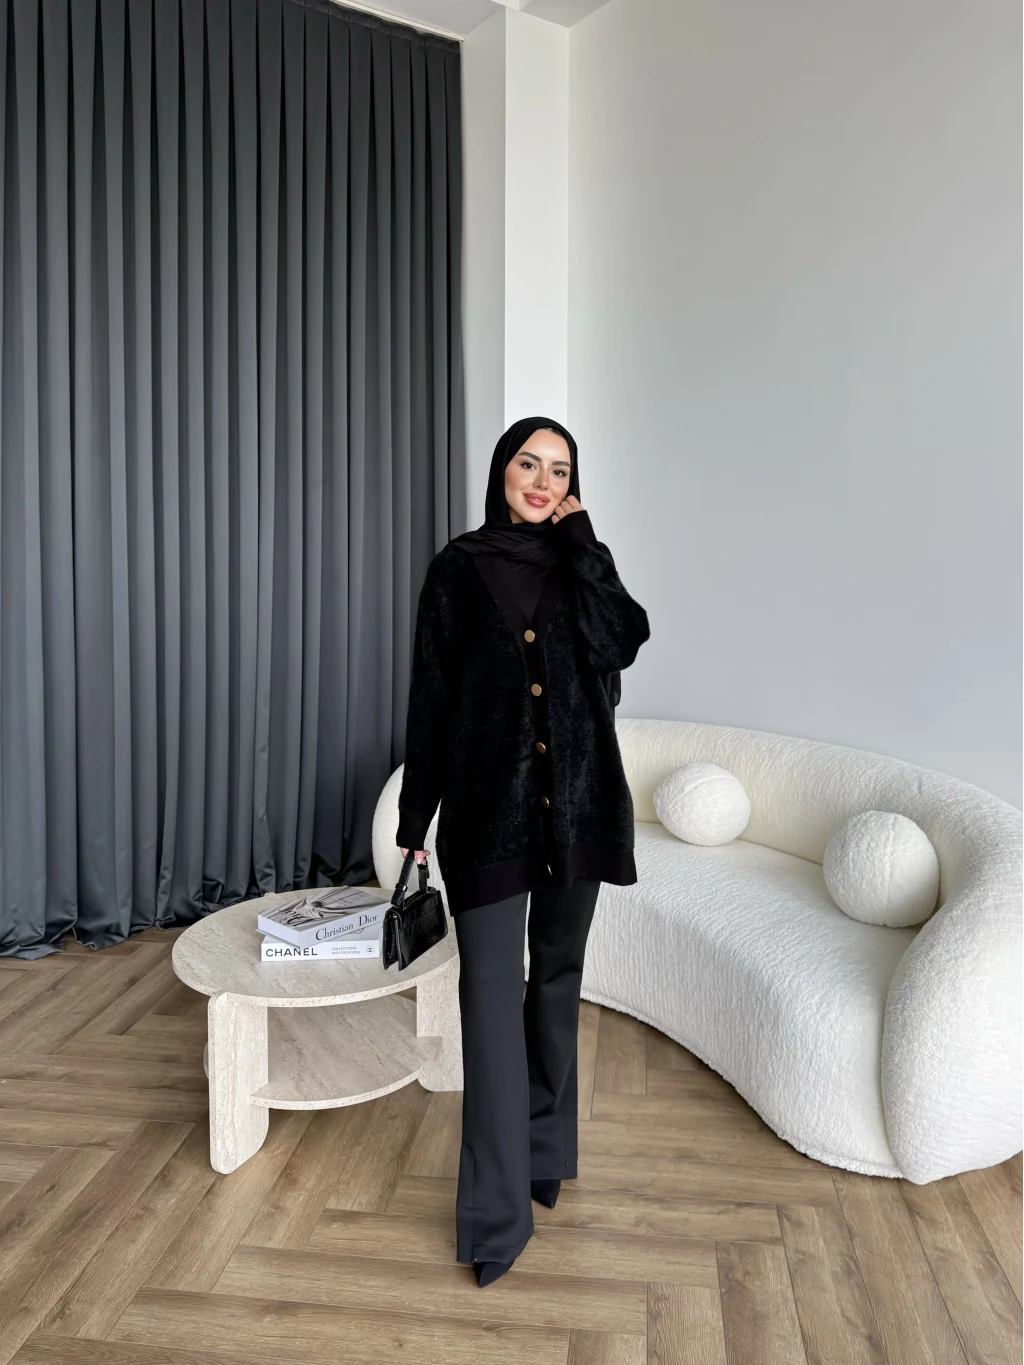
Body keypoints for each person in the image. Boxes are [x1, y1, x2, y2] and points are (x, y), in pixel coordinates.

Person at [396, 416, 650, 1287]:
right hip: (488, 819)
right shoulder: (457, 569)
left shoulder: (585, 563)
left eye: (560, 471)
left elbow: (623, 640)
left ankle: (546, 1158)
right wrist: (416, 818)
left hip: (580, 811)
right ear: (502, 470)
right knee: (491, 1002)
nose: (543, 482)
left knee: (556, 986)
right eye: (529, 464)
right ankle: (497, 1219)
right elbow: (431, 699)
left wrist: (584, 544)